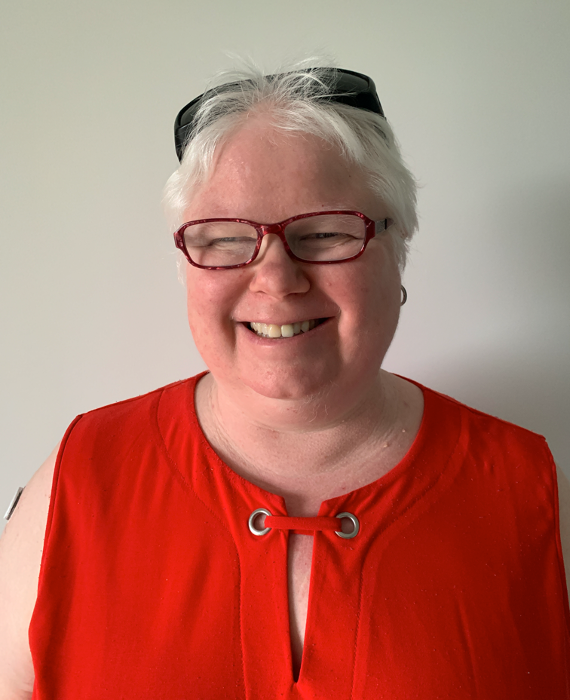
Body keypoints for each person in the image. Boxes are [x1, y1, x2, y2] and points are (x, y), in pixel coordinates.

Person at [1, 64, 569, 699]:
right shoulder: (80, 478)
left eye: (324, 234)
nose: (275, 279)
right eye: (225, 239)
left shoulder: (532, 491)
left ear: (396, 247)